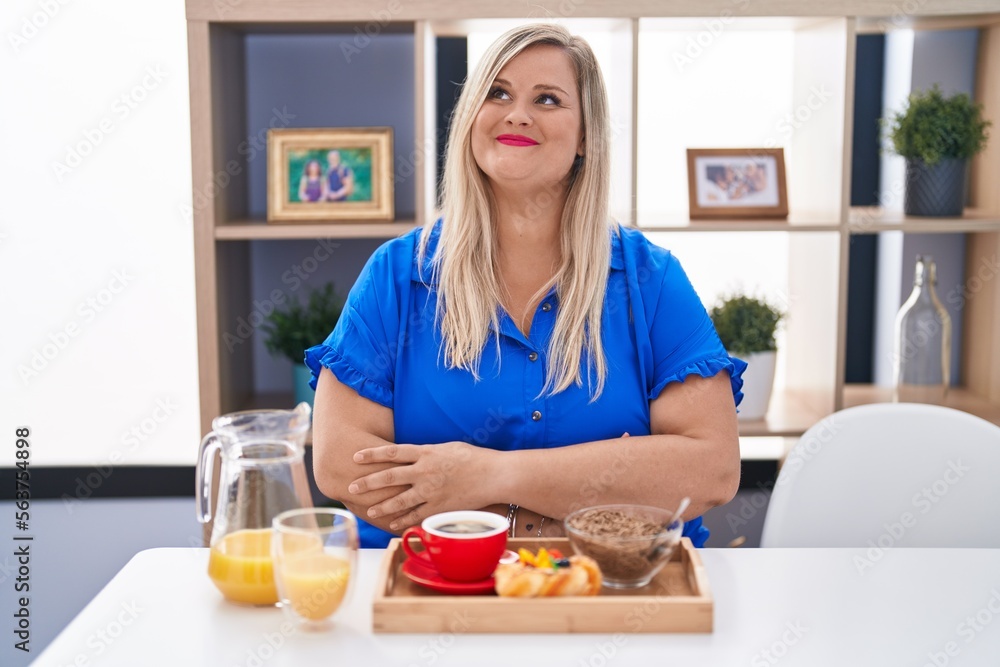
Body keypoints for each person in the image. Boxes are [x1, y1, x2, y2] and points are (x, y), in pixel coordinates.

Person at [305, 24, 746, 549]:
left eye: (548, 98)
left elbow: (710, 470)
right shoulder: (397, 275)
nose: (517, 113)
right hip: (426, 584)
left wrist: (486, 475)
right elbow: (339, 466)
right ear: (471, 118)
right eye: (498, 93)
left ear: (586, 137)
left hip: (612, 588)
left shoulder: (651, 279)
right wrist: (575, 500)